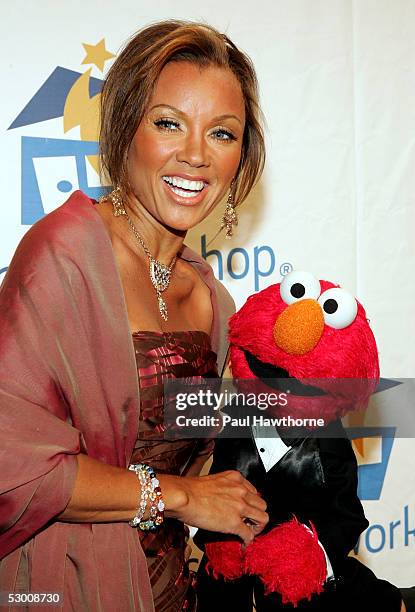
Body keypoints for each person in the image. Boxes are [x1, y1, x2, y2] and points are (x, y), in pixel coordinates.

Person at [0, 21, 268, 612]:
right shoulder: (63, 257)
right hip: (62, 584)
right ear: (126, 129)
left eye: (222, 133)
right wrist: (180, 496)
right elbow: (13, 466)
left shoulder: (211, 301)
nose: (195, 154)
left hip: (170, 591)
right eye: (169, 122)